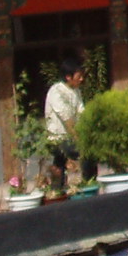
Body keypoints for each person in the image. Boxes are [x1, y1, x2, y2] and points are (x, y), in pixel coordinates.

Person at [44, 57, 88, 185]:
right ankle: (88, 183)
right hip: (58, 139)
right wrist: (79, 140)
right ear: (68, 77)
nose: (81, 79)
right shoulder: (56, 91)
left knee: (59, 168)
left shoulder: (76, 91)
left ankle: (57, 190)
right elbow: (67, 119)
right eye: (79, 76)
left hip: (69, 137)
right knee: (87, 153)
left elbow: (81, 112)